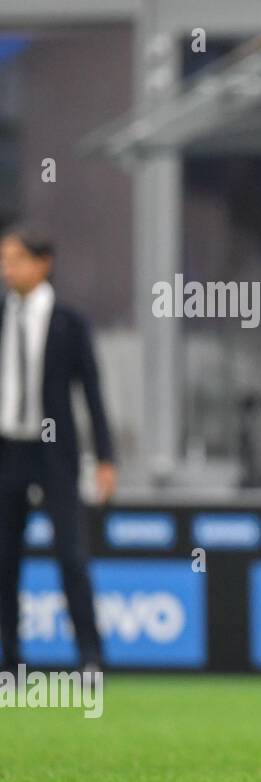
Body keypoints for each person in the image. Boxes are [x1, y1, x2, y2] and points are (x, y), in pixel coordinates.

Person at [0, 228, 116, 675]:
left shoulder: (69, 322)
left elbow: (92, 393)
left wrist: (105, 457)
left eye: (15, 259)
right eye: (4, 259)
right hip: (8, 451)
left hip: (54, 454)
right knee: (5, 561)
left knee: (71, 555)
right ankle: (10, 660)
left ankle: (90, 657)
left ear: (43, 262)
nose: (7, 268)